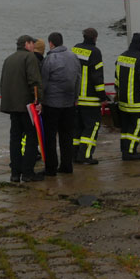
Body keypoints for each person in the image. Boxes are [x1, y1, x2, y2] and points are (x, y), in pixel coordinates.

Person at [0, 34, 44, 182]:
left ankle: (14, 173)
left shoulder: (8, 59)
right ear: (26, 44)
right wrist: (38, 102)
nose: (33, 46)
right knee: (32, 138)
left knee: (15, 139)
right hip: (27, 106)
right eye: (32, 43)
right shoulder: (29, 58)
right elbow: (35, 81)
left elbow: (3, 83)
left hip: (12, 106)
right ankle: (27, 173)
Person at [40, 32, 81, 176]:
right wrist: (76, 97)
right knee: (67, 136)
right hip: (69, 103)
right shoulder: (73, 57)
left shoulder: (49, 59)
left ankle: (51, 168)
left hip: (51, 104)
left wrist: (39, 100)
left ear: (51, 43)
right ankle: (66, 165)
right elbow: (78, 79)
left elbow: (43, 83)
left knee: (50, 137)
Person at [114, 32, 140, 161]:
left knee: (125, 129)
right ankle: (131, 152)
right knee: (136, 128)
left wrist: (117, 94)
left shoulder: (121, 57)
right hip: (136, 103)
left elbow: (117, 79)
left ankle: (125, 151)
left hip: (123, 102)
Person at [71, 27, 106, 164]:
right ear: (94, 38)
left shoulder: (75, 49)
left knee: (77, 129)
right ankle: (85, 156)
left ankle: (74, 156)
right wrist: (103, 97)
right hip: (90, 100)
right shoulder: (95, 52)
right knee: (91, 128)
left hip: (76, 98)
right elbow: (97, 77)